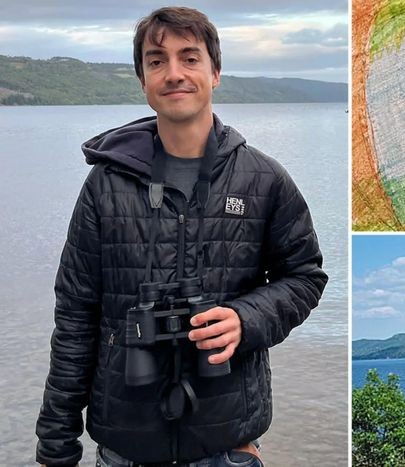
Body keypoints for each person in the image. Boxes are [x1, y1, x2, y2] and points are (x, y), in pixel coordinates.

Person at [35, 7, 327, 467]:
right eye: (157, 61)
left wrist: (245, 319)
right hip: (125, 448)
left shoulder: (264, 179)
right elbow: (75, 316)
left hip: (228, 446)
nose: (174, 74)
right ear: (142, 80)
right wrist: (56, 445)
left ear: (215, 73)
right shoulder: (105, 184)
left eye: (189, 58)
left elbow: (305, 276)